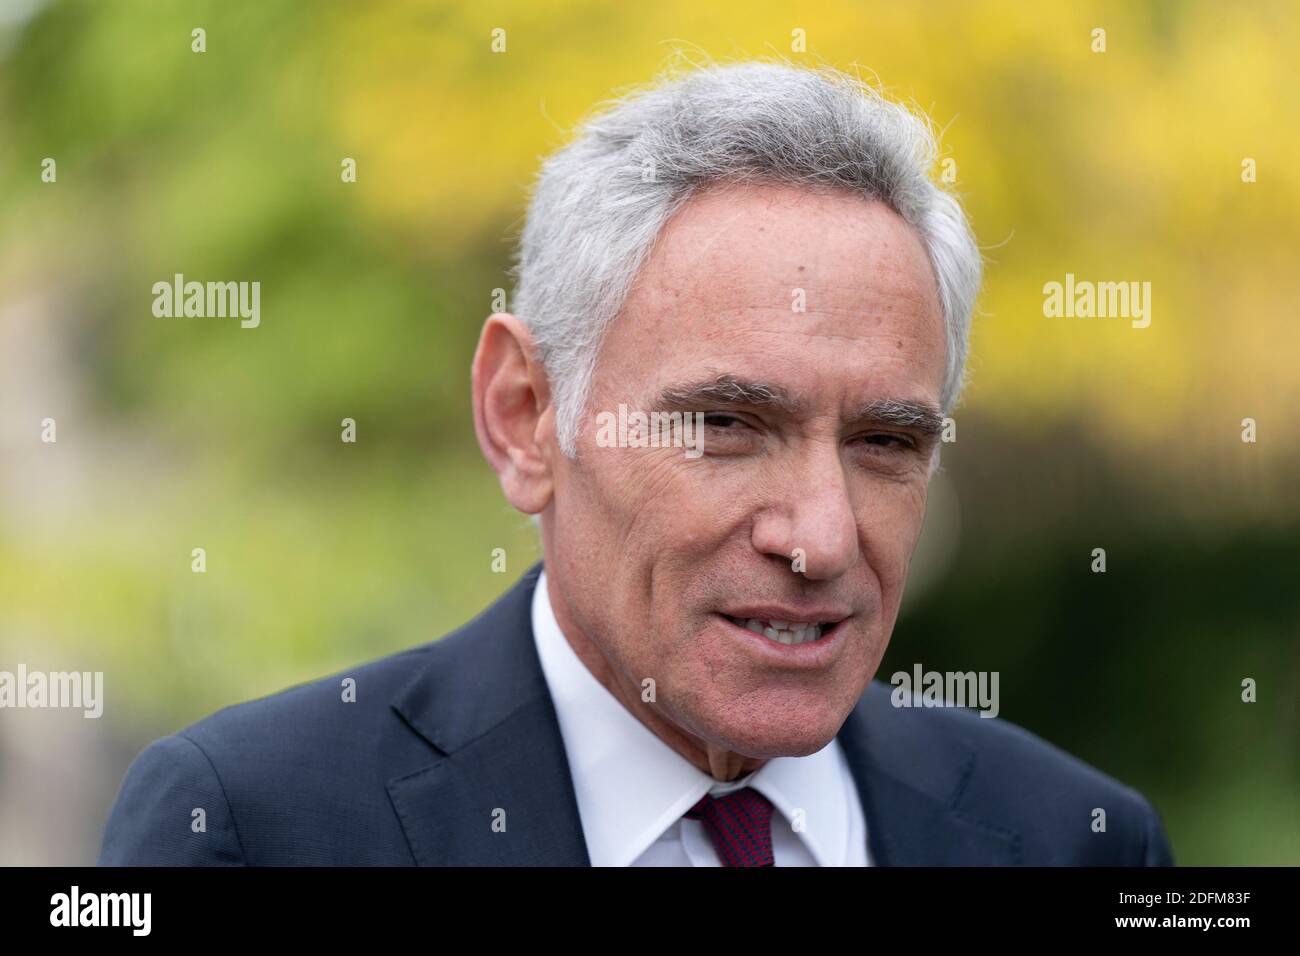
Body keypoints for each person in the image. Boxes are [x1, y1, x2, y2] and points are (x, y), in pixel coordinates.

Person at [99, 61, 1173, 866]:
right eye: (724, 425)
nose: (821, 535)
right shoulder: (255, 828)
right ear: (525, 416)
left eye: (884, 442)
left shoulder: (1074, 840)